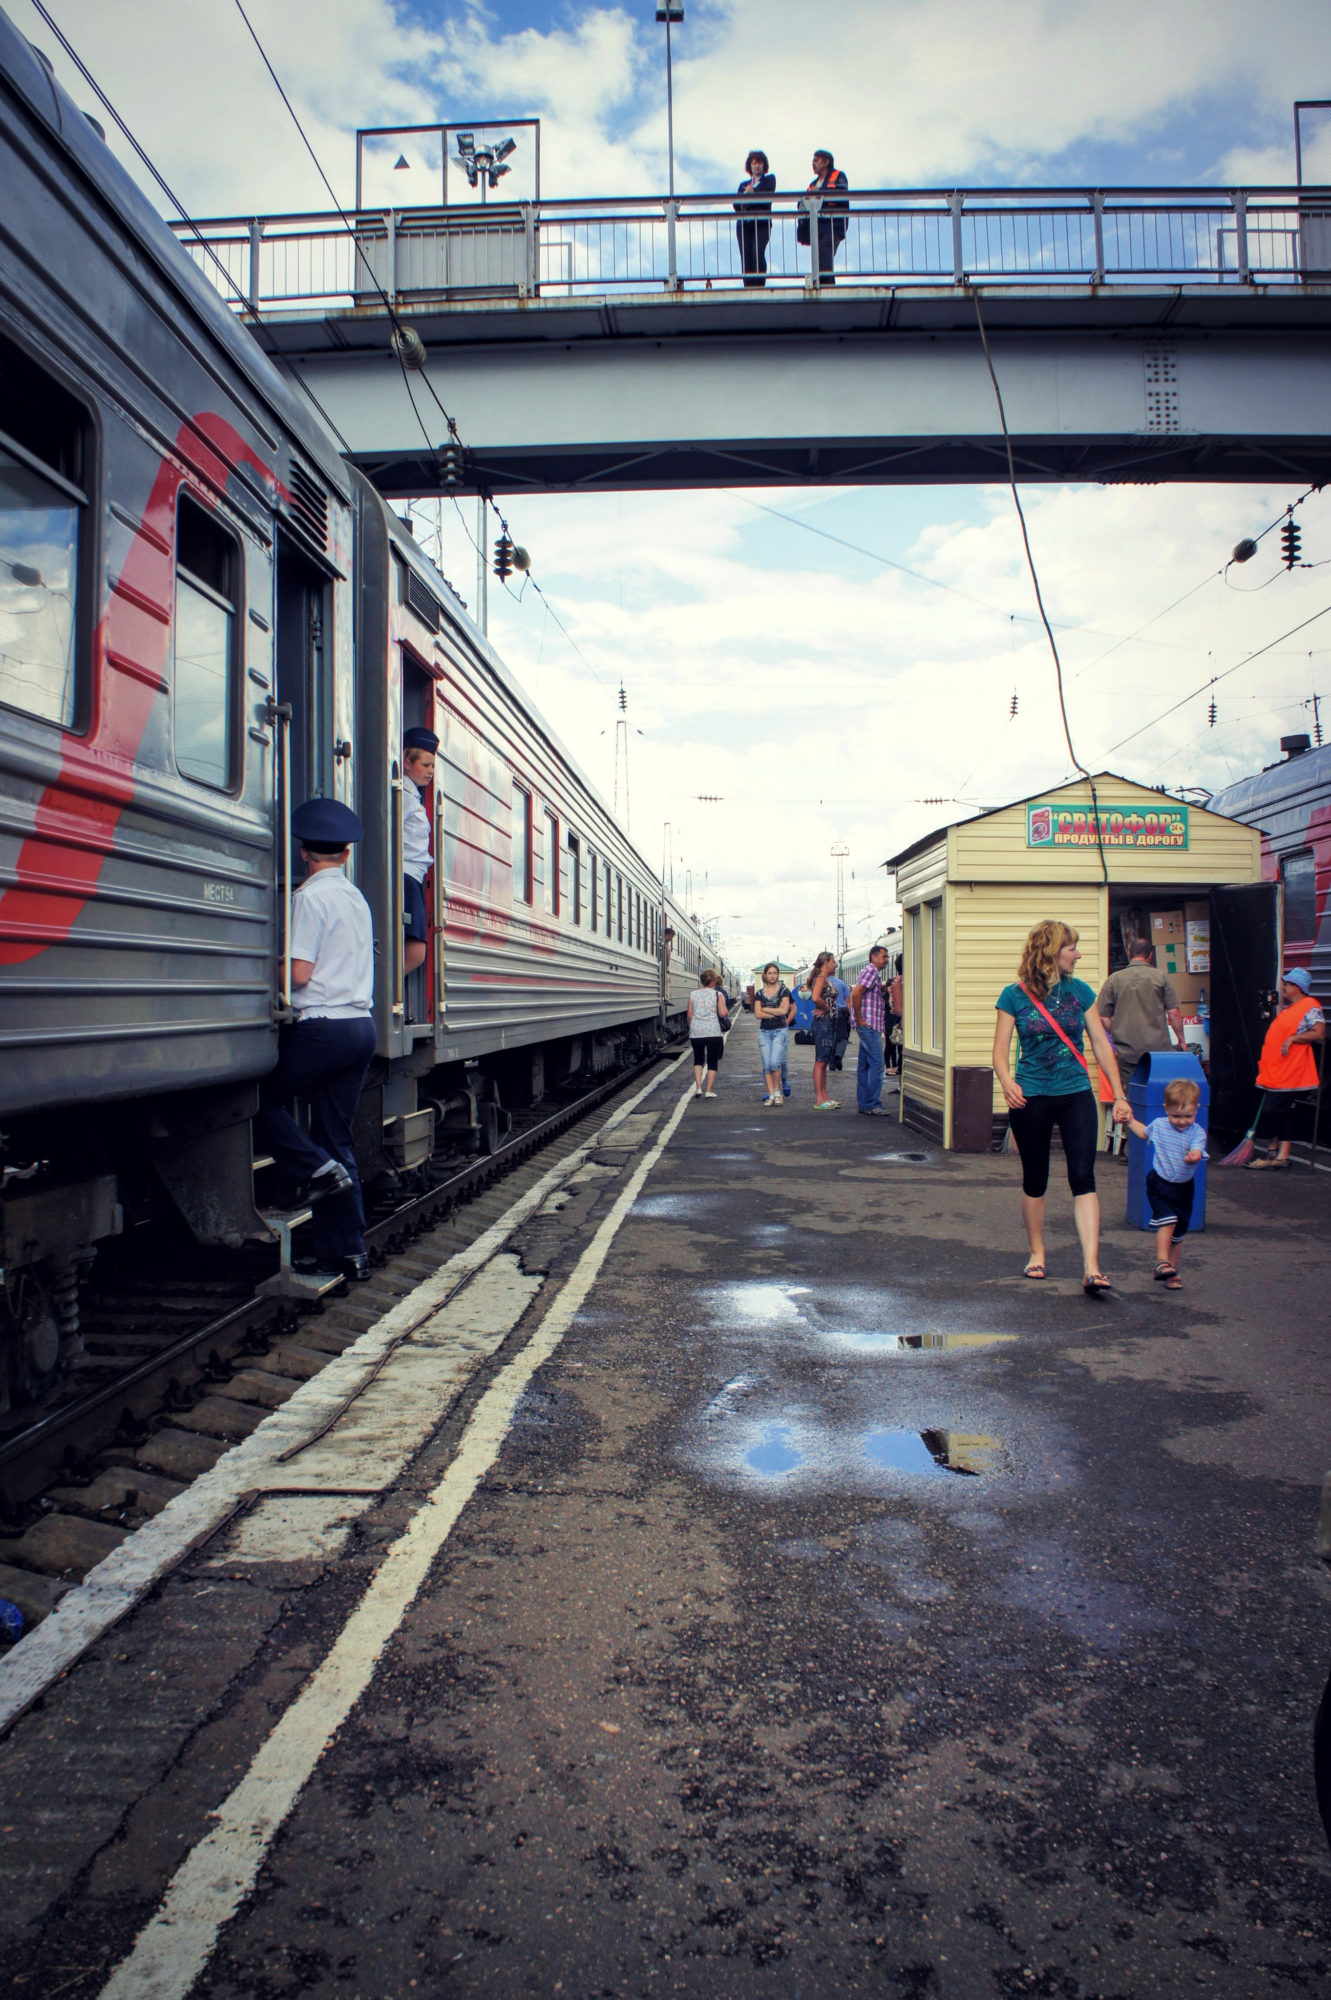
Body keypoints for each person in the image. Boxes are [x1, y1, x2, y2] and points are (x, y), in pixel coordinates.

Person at [256, 798, 377, 1282]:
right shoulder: (356, 898)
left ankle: (315, 1171)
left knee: (259, 1101)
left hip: (323, 1027)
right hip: (360, 1029)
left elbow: (300, 974)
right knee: (336, 1140)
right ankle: (348, 1254)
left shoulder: (308, 898)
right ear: (346, 853)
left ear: (304, 853)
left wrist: (263, 973)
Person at [992, 919, 1129, 1294]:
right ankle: (1037, 1253)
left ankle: (1092, 1267)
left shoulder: (1080, 992)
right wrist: (1008, 1083)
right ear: (1052, 951)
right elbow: (999, 1052)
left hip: (1075, 1093)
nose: (1078, 954)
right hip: (1031, 1095)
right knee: (1036, 1177)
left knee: (1083, 1174)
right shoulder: (1013, 996)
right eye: (1072, 948)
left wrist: (1119, 1094)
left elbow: (1101, 1045)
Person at [1120, 1077, 1207, 1290]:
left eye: (1188, 1116)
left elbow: (1197, 1148)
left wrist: (1194, 1156)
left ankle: (1171, 1271)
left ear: (1197, 1109)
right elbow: (1143, 1132)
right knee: (1167, 1221)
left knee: (1179, 1234)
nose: (1182, 1121)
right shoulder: (1159, 1126)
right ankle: (1161, 1261)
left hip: (1184, 1188)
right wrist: (1129, 1121)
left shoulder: (1197, 1132)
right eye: (1176, 1115)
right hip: (1159, 1183)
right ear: (1166, 1108)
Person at [1246, 965, 1325, 1169]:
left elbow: (1319, 1032)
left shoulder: (1310, 1007)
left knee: (1272, 1110)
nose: (1283, 988)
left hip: (1291, 1072)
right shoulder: (1291, 1009)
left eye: (1287, 985)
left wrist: (1294, 1038)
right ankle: (1279, 1155)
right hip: (1278, 1071)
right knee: (1282, 1111)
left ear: (1297, 987)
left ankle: (1276, 1154)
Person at [1095, 938, 1185, 1089]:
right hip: (1158, 1052)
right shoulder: (1160, 977)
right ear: (1150, 955)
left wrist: (1117, 1033)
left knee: (1133, 1094)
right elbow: (1174, 1013)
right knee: (1160, 1093)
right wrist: (1181, 1040)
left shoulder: (1114, 979)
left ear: (1129, 953)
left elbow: (1103, 1017)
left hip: (1127, 1052)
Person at [402, 725, 437, 978]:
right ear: (407, 763)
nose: (430, 772)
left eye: (432, 766)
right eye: (425, 765)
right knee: (416, 954)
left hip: (412, 879)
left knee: (414, 952)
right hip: (406, 877)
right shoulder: (403, 796)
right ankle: (374, 994)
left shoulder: (412, 796)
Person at [798, 150, 849, 285]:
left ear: (826, 162)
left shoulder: (838, 176)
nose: (813, 163)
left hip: (833, 225)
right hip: (817, 228)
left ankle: (827, 287)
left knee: (824, 256)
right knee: (820, 258)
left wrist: (819, 194)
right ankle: (821, 283)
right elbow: (802, 203)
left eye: (816, 160)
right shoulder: (813, 184)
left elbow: (841, 194)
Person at [851, 943, 890, 1116]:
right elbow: (856, 993)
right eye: (884, 956)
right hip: (869, 1024)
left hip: (868, 1024)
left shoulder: (871, 973)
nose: (886, 960)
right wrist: (859, 1018)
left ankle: (865, 1103)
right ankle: (873, 1103)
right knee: (877, 1064)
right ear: (874, 957)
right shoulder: (871, 971)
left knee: (865, 1065)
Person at [734, 150, 776, 288]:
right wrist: (748, 195)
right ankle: (748, 286)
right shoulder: (743, 184)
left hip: (762, 223)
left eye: (760, 163)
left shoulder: (769, 179)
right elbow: (736, 205)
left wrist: (750, 195)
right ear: (750, 166)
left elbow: (767, 196)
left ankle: (759, 284)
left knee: (757, 252)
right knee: (746, 256)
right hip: (744, 224)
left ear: (764, 165)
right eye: (754, 163)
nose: (757, 166)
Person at [754, 961, 794, 1105]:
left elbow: (783, 1011)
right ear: (765, 975)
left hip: (779, 1031)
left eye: (775, 973)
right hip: (764, 1032)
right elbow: (757, 1014)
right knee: (766, 1064)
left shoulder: (784, 991)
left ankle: (778, 1093)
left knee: (774, 1062)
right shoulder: (759, 993)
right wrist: (773, 1012)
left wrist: (765, 1009)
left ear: (778, 975)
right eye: (770, 973)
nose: (772, 976)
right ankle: (772, 1095)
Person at [686, 968, 729, 1099]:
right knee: (712, 1061)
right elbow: (723, 1013)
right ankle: (709, 1090)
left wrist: (692, 1026)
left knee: (698, 1060)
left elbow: (689, 1015)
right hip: (713, 1032)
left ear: (702, 981)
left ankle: (698, 1088)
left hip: (696, 1032)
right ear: (713, 981)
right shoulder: (718, 995)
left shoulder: (693, 995)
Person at [808, 951, 840, 1109]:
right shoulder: (820, 978)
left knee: (825, 1059)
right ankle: (819, 1099)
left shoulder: (825, 979)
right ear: (826, 962)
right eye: (833, 961)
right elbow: (815, 997)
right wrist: (826, 1008)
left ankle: (825, 1096)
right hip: (824, 1023)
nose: (835, 964)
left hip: (829, 1022)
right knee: (821, 1060)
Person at [886, 952, 904, 1082]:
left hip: (904, 1023)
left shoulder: (897, 983)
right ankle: (902, 1087)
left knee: (901, 1054)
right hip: (905, 1025)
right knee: (902, 1054)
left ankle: (901, 1086)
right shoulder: (898, 984)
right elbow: (898, 1010)